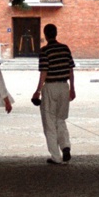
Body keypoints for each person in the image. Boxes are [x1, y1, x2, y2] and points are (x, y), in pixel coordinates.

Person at [32, 23, 75, 165]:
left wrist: (38, 91)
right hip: (64, 86)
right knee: (61, 119)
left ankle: (56, 157)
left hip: (50, 87)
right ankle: (66, 146)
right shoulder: (65, 48)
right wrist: (72, 88)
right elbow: (71, 70)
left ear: (45, 35)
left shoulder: (44, 51)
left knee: (49, 123)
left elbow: (44, 72)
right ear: (56, 33)